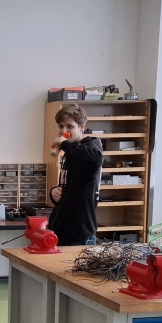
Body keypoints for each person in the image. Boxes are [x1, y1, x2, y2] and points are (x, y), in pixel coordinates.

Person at [48, 103, 104, 247]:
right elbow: (69, 187)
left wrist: (65, 144)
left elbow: (95, 158)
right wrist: (54, 192)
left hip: (80, 234)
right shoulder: (71, 152)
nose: (63, 131)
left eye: (70, 127)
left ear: (81, 127)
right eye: (61, 126)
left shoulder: (90, 148)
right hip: (62, 232)